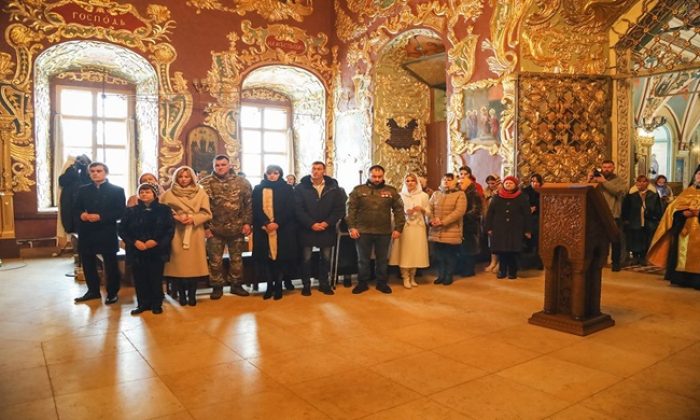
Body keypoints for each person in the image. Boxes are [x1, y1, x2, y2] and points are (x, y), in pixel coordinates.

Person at [200, 155, 253, 299]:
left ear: (230, 165)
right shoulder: (204, 183)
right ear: (213, 166)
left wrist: (248, 223)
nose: (220, 167)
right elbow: (200, 208)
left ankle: (236, 285)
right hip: (214, 228)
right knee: (215, 261)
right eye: (217, 165)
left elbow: (248, 205)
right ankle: (217, 287)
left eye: (223, 164)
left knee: (236, 259)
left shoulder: (242, 183)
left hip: (237, 228)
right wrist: (205, 227)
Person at [347, 165, 406, 294]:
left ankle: (382, 283)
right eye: (374, 176)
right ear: (369, 175)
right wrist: (352, 227)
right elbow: (351, 210)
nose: (377, 179)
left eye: (380, 176)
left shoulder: (391, 191)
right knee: (363, 260)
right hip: (362, 231)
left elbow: (399, 210)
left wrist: (398, 228)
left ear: (383, 176)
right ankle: (362, 283)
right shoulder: (358, 190)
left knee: (382, 260)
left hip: (384, 231)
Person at [73, 162, 126, 304]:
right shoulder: (83, 190)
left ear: (106, 173)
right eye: (92, 171)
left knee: (110, 264)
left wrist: (101, 216)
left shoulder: (117, 190)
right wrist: (82, 216)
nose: (95, 173)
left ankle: (112, 293)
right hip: (87, 231)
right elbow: (76, 208)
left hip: (106, 231)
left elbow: (120, 212)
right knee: (88, 263)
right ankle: (93, 291)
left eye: (99, 171)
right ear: (89, 174)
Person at [119, 183, 174, 315]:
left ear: (154, 194)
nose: (144, 194)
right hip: (137, 250)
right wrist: (135, 242)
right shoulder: (131, 211)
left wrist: (155, 241)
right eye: (141, 192)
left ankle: (156, 304)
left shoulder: (164, 210)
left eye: (147, 192)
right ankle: (143, 304)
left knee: (155, 278)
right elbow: (122, 230)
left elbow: (169, 230)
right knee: (139, 278)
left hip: (157, 250)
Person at [160, 166, 212, 306]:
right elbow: (161, 212)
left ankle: (192, 295)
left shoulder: (201, 193)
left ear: (192, 178)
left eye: (186, 177)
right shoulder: (168, 194)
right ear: (176, 178)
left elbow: (207, 213)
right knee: (178, 266)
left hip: (194, 232)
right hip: (176, 232)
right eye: (181, 176)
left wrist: (193, 218)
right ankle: (181, 295)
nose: (183, 179)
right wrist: (175, 216)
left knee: (193, 266)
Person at [294, 161, 346, 296]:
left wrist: (327, 223)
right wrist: (311, 224)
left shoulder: (333, 188)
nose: (316, 171)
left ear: (324, 171)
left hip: (326, 228)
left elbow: (339, 209)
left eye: (319, 169)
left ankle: (324, 284)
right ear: (310, 170)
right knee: (306, 258)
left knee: (326, 258)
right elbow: (298, 209)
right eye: (314, 169)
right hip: (307, 228)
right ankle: (306, 285)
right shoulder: (300, 188)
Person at [647, 165, 700, 289]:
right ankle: (684, 279)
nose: (699, 177)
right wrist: (682, 213)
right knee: (683, 256)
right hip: (685, 232)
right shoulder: (687, 191)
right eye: (698, 174)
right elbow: (673, 210)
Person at [252, 165, 298, 300]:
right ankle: (269, 286)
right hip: (264, 229)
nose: (272, 176)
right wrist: (266, 223)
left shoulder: (287, 188)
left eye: (275, 173)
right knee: (266, 259)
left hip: (282, 229)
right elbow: (255, 208)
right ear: (265, 174)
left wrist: (277, 223)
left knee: (280, 259)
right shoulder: (258, 188)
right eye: (269, 173)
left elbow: (290, 209)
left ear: (280, 174)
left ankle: (278, 286)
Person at [485, 175, 531, 279]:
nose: (508, 185)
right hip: (499, 229)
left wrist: (527, 230)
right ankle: (502, 271)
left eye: (511, 183)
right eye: (506, 183)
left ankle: (512, 272)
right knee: (502, 251)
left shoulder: (522, 197)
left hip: (515, 229)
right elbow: (490, 213)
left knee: (512, 252)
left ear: (515, 185)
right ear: (503, 185)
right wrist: (489, 228)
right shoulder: (497, 197)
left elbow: (527, 215)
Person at [389, 173, 430, 288]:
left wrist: (421, 209)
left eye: (412, 181)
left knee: (416, 252)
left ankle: (413, 277)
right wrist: (405, 212)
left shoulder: (424, 196)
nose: (410, 183)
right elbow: (394, 212)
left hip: (418, 227)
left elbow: (429, 212)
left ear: (417, 182)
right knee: (405, 252)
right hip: (405, 227)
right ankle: (405, 277)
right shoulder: (400, 196)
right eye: (407, 181)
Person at [588, 160, 626, 271]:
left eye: (609, 167)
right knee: (597, 239)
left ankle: (616, 264)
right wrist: (589, 179)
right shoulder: (596, 180)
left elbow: (618, 191)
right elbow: (587, 190)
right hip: (597, 214)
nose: (606, 169)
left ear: (613, 168)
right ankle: (598, 261)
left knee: (615, 240)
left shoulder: (619, 181)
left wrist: (604, 182)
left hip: (613, 214)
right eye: (604, 167)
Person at [429, 173, 467, 286]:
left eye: (449, 180)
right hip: (436, 230)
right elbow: (429, 208)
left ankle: (448, 275)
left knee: (450, 255)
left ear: (454, 182)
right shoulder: (436, 194)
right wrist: (432, 220)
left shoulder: (460, 194)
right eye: (444, 179)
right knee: (439, 255)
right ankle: (440, 275)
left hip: (451, 230)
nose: (446, 181)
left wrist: (444, 222)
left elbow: (459, 211)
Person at [621, 175, 663, 266]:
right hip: (635, 220)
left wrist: (656, 217)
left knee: (646, 239)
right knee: (635, 238)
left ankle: (643, 257)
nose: (642, 183)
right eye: (639, 181)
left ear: (647, 183)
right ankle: (635, 257)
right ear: (636, 183)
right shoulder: (631, 194)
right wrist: (626, 219)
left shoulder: (653, 194)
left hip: (649, 221)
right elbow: (626, 207)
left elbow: (657, 208)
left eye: (644, 181)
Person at [457, 167, 483, 277]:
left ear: (469, 175)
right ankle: (460, 267)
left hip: (470, 222)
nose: (462, 176)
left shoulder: (475, 189)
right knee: (460, 246)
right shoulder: (457, 187)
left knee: (469, 246)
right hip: (458, 221)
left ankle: (469, 269)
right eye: (461, 173)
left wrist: (465, 216)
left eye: (465, 174)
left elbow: (477, 208)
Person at [58, 154, 91, 235]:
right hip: (69, 202)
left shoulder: (89, 172)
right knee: (70, 224)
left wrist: (84, 170)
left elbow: (89, 183)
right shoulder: (71, 169)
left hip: (84, 205)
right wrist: (73, 169)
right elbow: (62, 182)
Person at [522, 174, 544, 270]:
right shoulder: (525, 191)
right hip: (527, 219)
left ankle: (538, 262)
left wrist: (536, 208)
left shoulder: (543, 191)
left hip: (539, 218)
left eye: (536, 181)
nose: (534, 183)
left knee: (538, 241)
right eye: (532, 181)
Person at [483, 174, 501, 273]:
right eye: (489, 183)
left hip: (499, 220)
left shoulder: (501, 192)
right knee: (492, 242)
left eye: (493, 183)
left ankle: (500, 263)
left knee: (500, 242)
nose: (491, 185)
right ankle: (493, 262)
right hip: (489, 219)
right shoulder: (486, 192)